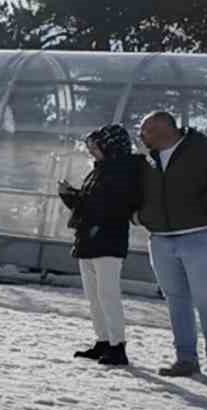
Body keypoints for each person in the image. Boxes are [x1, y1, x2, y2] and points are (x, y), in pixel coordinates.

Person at [136, 111, 207, 384]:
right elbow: (139, 192)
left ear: (162, 129)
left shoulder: (203, 148)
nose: (141, 136)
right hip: (160, 239)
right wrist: (141, 216)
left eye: (145, 130)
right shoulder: (149, 158)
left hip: (201, 236)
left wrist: (205, 206)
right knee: (176, 300)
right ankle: (186, 360)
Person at [58, 124, 145, 367]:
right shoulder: (100, 171)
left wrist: (73, 197)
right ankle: (104, 341)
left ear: (111, 147)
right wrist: (70, 195)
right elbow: (90, 204)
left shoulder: (123, 173)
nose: (92, 152)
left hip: (108, 240)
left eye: (96, 147)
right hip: (90, 239)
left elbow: (106, 207)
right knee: (94, 296)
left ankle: (118, 346)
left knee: (108, 294)